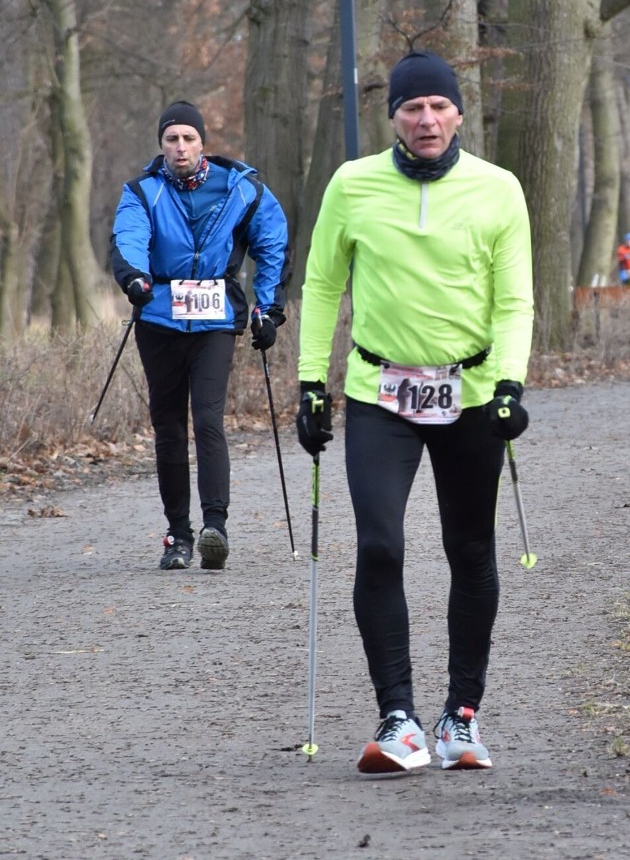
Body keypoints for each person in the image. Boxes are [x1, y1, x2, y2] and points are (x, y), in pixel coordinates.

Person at [296, 50, 534, 774]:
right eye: (411, 107)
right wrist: (312, 382)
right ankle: (397, 716)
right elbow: (320, 282)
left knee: (470, 549)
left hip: (468, 392)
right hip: (379, 393)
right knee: (380, 545)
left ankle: (461, 715)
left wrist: (509, 384)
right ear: (392, 117)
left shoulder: (498, 189)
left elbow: (515, 298)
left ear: (459, 112)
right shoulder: (353, 184)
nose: (426, 119)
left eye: (438, 105)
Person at [110, 101, 289, 570]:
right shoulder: (141, 191)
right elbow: (128, 237)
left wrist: (268, 309)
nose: (180, 146)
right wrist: (134, 276)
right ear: (162, 145)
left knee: (207, 420)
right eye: (172, 139)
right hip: (158, 318)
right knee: (168, 428)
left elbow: (272, 244)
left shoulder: (242, 189)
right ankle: (178, 535)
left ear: (202, 142)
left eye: (188, 138)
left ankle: (215, 528)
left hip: (214, 321)